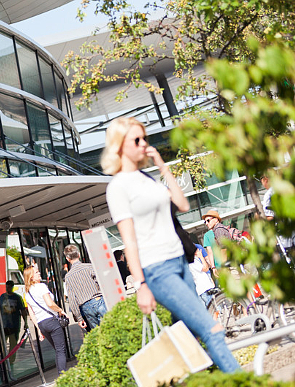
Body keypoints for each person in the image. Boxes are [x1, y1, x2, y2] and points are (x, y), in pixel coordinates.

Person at [102, 117, 239, 373]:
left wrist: (162, 166)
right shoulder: (118, 187)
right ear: (120, 145)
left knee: (187, 337)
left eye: (144, 138)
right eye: (136, 140)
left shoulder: (147, 178)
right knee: (211, 330)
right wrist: (141, 284)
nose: (144, 144)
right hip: (158, 271)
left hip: (180, 263)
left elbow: (183, 205)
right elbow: (129, 241)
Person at [261, 175, 295, 266]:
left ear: (266, 180)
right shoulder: (291, 186)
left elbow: (269, 218)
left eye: (262, 182)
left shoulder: (269, 195)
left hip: (288, 241)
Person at [24, 265, 68, 375]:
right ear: (31, 277)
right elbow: (49, 303)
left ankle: (61, 374)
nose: (39, 273)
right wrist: (60, 310)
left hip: (42, 324)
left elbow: (32, 314)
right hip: (51, 321)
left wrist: (39, 329)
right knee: (60, 350)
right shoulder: (41, 286)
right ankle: (62, 375)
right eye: (37, 272)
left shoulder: (27, 294)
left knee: (58, 350)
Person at [63, 244, 107, 332]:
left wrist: (79, 318)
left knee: (98, 334)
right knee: (110, 327)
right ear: (79, 254)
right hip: (99, 300)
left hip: (86, 307)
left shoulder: (68, 276)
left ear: (68, 259)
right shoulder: (89, 267)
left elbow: (72, 299)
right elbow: (102, 283)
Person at [0, 281, 27, 365]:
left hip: (14, 324)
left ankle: (11, 360)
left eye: (9, 287)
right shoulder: (2, 297)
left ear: (12, 287)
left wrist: (25, 322)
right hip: (4, 324)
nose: (8, 289)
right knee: (3, 342)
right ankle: (4, 359)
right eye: (7, 287)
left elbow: (23, 310)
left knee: (13, 343)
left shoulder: (17, 298)